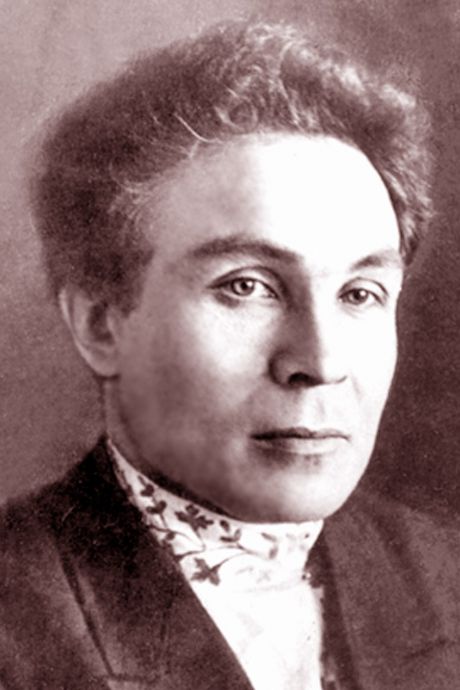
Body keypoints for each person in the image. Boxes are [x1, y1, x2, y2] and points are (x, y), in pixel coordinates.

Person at [1, 19, 458, 690]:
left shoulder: (445, 573)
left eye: (360, 293)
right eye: (247, 286)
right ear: (101, 325)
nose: (320, 362)